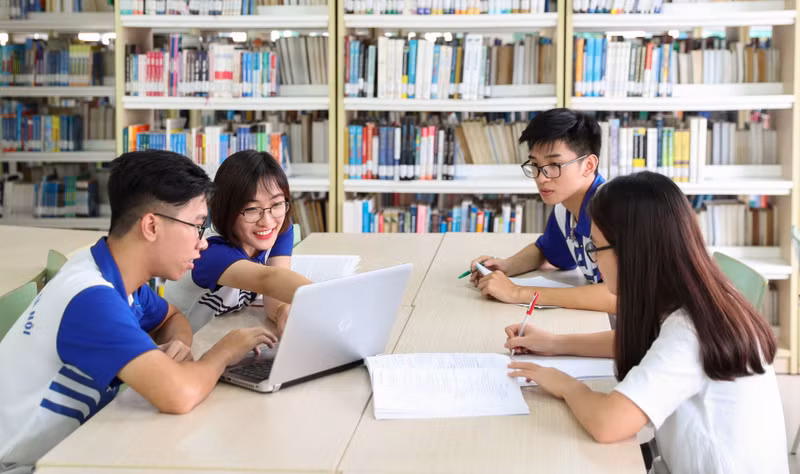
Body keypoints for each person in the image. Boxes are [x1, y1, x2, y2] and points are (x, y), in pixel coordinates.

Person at [0, 151, 278, 471]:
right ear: (151, 226)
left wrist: (179, 347)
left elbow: (173, 317)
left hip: (79, 445)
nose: (202, 243)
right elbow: (179, 395)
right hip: (28, 466)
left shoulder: (114, 277)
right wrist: (225, 351)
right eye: (197, 226)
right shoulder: (91, 299)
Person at [505, 171, 788, 474]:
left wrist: (563, 384)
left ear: (632, 251)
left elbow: (608, 423)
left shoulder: (690, 331)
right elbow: (651, 342)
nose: (595, 261)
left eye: (595, 248)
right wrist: (554, 343)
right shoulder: (696, 294)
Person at [469, 108, 615, 313]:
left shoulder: (614, 211)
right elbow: (546, 252)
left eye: (554, 165)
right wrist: (506, 266)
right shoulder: (564, 209)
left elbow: (618, 296)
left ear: (588, 165)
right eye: (536, 165)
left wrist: (517, 292)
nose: (541, 178)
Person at [165, 150, 311, 335]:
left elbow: (275, 292)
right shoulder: (209, 251)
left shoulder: (278, 229)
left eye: (276, 204)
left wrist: (282, 311)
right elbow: (269, 279)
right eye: (251, 209)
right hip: (188, 348)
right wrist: (330, 302)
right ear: (226, 209)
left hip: (222, 336)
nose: (267, 221)